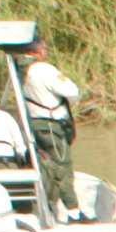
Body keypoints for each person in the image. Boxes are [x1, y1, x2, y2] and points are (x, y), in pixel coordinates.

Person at [18, 49, 82, 214]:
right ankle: (74, 212)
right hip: (51, 126)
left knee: (46, 165)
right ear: (38, 51)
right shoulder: (43, 69)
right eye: (44, 48)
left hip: (34, 125)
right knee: (62, 166)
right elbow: (72, 91)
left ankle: (48, 205)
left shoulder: (19, 69)